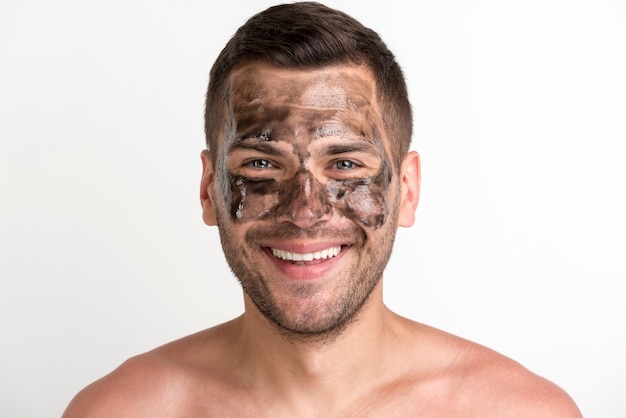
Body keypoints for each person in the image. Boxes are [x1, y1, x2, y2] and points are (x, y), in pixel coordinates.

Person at [63, 2, 582, 416]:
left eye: (347, 165)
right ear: (209, 188)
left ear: (407, 189)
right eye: (263, 165)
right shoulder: (117, 411)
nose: (306, 211)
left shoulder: (519, 412)